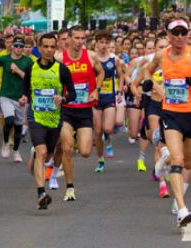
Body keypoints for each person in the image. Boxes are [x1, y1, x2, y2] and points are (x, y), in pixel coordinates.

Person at [132, 14, 191, 227]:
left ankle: (171, 180)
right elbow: (147, 71)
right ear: (169, 35)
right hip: (171, 113)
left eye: (184, 32)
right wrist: (152, 85)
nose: (181, 36)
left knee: (188, 163)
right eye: (176, 33)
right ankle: (182, 209)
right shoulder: (161, 55)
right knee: (178, 159)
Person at [20, 32, 76, 210]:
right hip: (36, 116)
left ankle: (37, 157)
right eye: (45, 46)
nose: (49, 50)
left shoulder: (62, 69)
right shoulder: (31, 68)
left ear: (56, 47)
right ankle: (41, 194)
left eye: (52, 47)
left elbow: (72, 93)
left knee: (49, 155)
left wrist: (64, 100)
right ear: (39, 47)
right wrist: (23, 98)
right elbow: (26, 91)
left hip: (55, 119)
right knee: (41, 151)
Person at [55, 25, 104, 202]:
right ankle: (69, 188)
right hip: (66, 110)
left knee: (84, 152)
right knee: (67, 148)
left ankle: (71, 141)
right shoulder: (59, 58)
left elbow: (101, 72)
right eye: (76, 38)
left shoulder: (90, 56)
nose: (80, 41)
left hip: (84, 110)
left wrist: (96, 89)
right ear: (68, 39)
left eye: (83, 38)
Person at [0, 36, 34, 162]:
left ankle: (16, 151)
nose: (18, 49)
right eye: (16, 46)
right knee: (9, 121)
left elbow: (30, 79)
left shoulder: (28, 61)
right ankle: (6, 142)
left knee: (18, 126)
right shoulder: (4, 59)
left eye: (21, 46)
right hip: (5, 95)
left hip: (21, 97)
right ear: (12, 46)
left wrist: (18, 71)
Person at [92, 31, 124, 172]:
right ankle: (100, 160)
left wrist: (120, 90)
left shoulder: (114, 59)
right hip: (95, 97)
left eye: (106, 43)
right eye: (101, 42)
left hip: (109, 96)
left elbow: (120, 75)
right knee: (98, 131)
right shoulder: (92, 58)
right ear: (96, 43)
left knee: (107, 128)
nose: (104, 46)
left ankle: (109, 139)